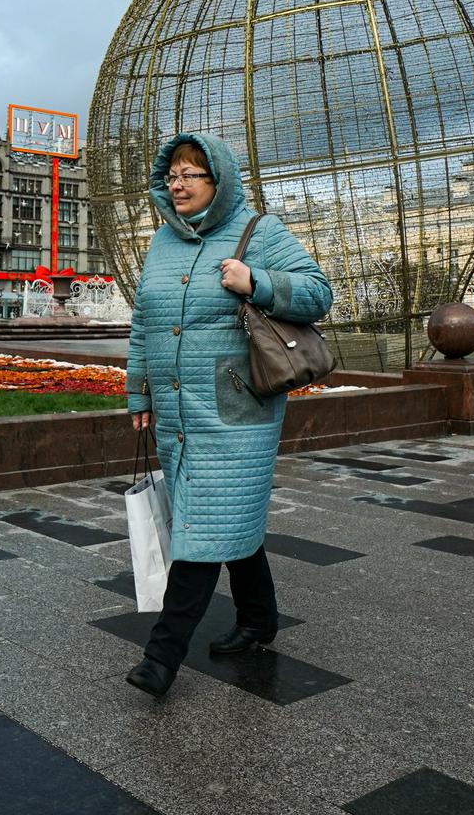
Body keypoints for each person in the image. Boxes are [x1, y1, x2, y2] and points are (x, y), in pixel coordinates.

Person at [122, 133, 333, 699]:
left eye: (190, 174)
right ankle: (259, 619)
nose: (177, 184)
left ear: (219, 181)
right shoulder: (161, 242)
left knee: (199, 530)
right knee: (225, 518)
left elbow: (318, 293)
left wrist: (256, 282)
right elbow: (144, 322)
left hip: (238, 412)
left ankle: (161, 658)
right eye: (172, 175)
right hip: (176, 413)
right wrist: (139, 393)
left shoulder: (259, 231)